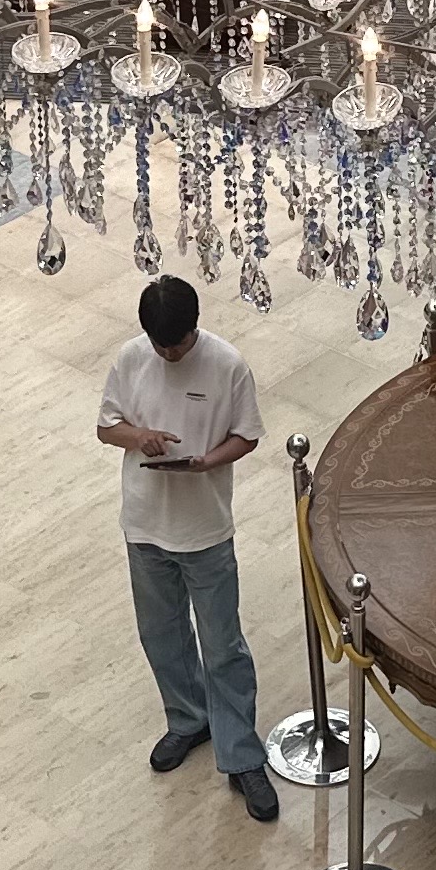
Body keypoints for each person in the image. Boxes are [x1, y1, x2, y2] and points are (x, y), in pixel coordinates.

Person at [95, 274, 275, 822]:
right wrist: (140, 437)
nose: (168, 354)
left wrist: (205, 463)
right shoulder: (132, 358)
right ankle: (188, 720)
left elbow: (247, 434)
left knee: (223, 648)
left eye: (175, 345)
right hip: (144, 525)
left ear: (194, 328)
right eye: (159, 344)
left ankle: (242, 756)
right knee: (162, 637)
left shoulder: (227, 365)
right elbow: (107, 427)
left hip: (205, 531)